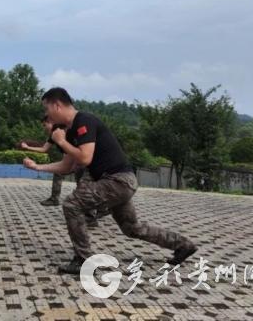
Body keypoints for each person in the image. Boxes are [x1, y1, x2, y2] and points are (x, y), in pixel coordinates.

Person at [23, 87, 197, 275]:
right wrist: (37, 168)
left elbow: (84, 159)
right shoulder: (71, 131)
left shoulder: (84, 121)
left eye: (46, 109)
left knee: (72, 204)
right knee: (131, 228)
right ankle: (183, 245)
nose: (46, 115)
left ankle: (83, 260)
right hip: (119, 183)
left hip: (117, 181)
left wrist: (62, 142)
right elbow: (68, 167)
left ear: (57, 105)